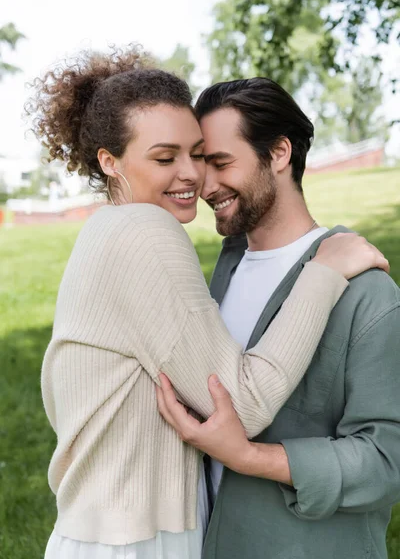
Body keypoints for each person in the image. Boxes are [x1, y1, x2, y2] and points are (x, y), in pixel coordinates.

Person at [27, 48, 386, 559]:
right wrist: (325, 271)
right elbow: (240, 404)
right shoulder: (144, 232)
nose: (194, 177)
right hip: (136, 541)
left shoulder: (105, 235)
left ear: (279, 154)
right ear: (110, 161)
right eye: (163, 157)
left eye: (201, 155)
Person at [157, 77, 400, 559]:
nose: (205, 184)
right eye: (202, 163)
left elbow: (386, 461)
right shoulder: (224, 266)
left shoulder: (368, 293)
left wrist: (250, 457)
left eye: (222, 163)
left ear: (280, 153)